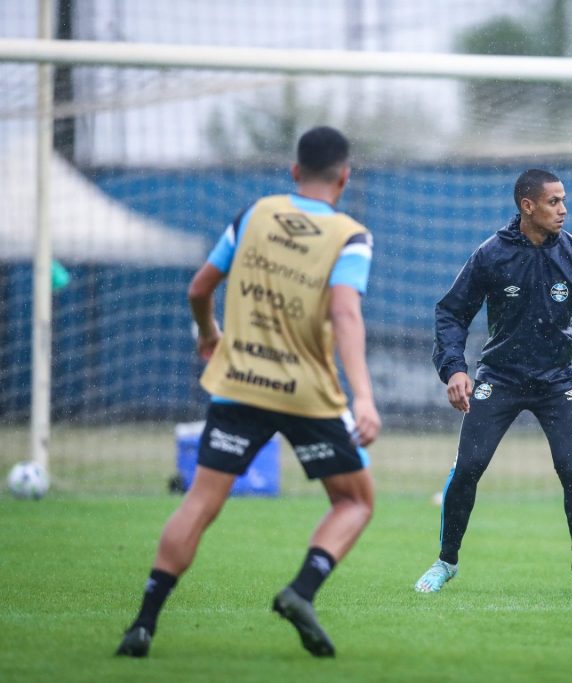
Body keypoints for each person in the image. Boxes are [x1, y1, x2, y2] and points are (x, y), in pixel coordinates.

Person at [116, 126, 380, 658]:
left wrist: (209, 333)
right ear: (345, 178)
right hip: (306, 392)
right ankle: (301, 591)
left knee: (201, 502)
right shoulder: (351, 236)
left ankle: (143, 623)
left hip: (239, 385)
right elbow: (345, 312)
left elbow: (198, 288)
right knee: (354, 500)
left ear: (294, 172)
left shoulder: (254, 214)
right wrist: (365, 398)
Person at [415, 168, 572, 595]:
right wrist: (454, 369)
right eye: (554, 202)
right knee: (469, 468)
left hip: (559, 382)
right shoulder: (491, 254)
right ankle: (446, 562)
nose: (563, 210)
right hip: (500, 376)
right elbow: (451, 313)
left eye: (564, 200)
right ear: (527, 206)